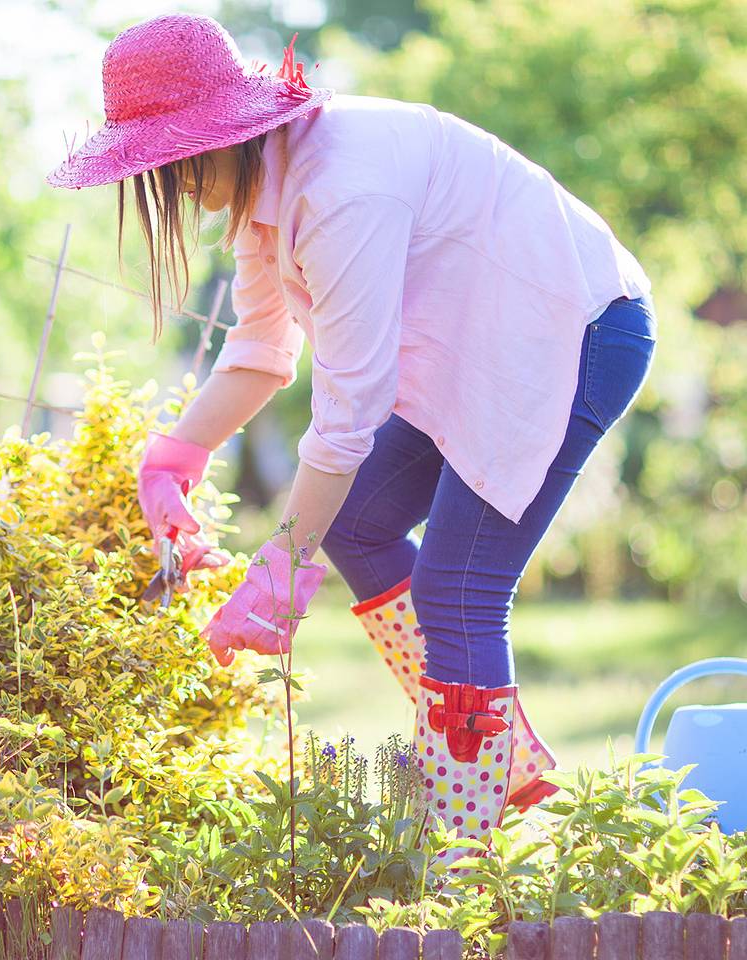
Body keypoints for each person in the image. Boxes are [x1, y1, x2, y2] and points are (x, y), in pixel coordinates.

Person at [46, 13, 656, 855]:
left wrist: (282, 564)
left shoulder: (339, 190)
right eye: (152, 162)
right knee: (362, 523)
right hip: (477, 342)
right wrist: (175, 453)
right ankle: (485, 751)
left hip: (575, 330)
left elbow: (352, 411)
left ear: (223, 128)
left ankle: (467, 865)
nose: (172, 182)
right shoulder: (269, 189)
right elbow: (263, 348)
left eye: (173, 154)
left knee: (460, 590)